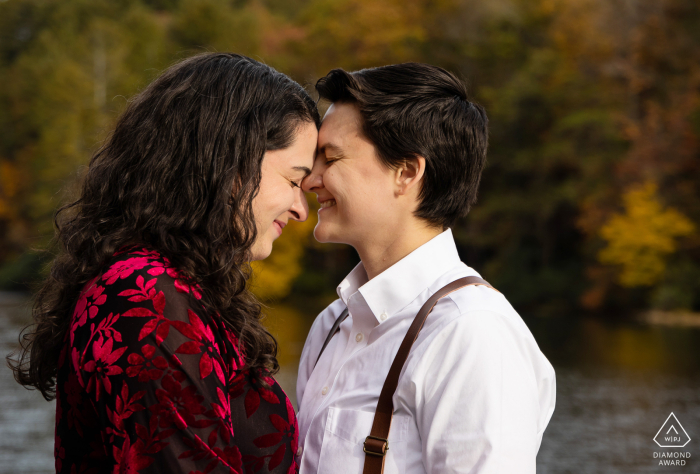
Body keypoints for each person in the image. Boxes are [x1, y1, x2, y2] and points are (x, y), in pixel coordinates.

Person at [9, 53, 319, 473]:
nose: (302, 208)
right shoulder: (145, 296)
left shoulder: (178, 288)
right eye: (293, 180)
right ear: (231, 164)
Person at [296, 63, 556, 474]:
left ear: (406, 172)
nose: (310, 180)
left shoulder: (470, 333)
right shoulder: (331, 324)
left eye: (330, 158)